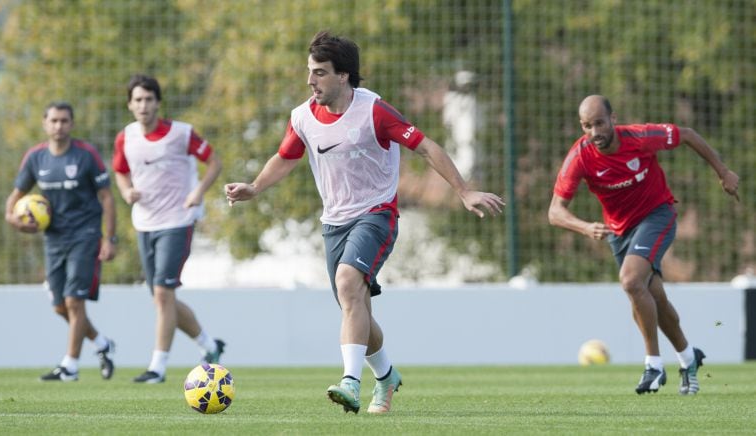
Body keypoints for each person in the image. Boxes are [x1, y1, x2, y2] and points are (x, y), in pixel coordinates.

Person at [225, 31, 504, 414]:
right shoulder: (303, 117)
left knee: (346, 283)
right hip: (333, 223)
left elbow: (425, 146)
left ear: (344, 76)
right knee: (354, 306)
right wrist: (254, 187)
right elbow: (286, 156)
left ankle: (350, 383)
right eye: (310, 72)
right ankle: (387, 376)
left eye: (320, 73)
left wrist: (463, 191)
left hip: (376, 214)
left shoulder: (374, 111)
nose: (311, 81)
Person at [549, 95, 740, 395]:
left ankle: (653, 365)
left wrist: (723, 172)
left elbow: (687, 134)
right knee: (652, 296)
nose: (594, 132)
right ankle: (689, 358)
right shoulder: (580, 156)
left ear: (613, 119)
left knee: (630, 281)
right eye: (587, 126)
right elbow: (555, 212)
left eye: (599, 123)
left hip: (656, 216)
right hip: (618, 231)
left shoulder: (640, 137)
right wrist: (585, 227)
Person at [112, 74, 224, 384]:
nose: (143, 105)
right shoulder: (126, 138)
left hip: (178, 220)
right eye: (138, 100)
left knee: (163, 293)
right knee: (164, 298)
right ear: (130, 105)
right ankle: (210, 346)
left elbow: (214, 162)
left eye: (149, 99)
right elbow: (120, 172)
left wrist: (198, 191)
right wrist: (126, 192)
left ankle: (157, 368)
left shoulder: (181, 134)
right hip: (144, 223)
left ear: (158, 103)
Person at [5, 102, 118, 382]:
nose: (59, 126)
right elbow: (16, 194)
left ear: (72, 124)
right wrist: (13, 218)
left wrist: (109, 237)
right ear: (45, 123)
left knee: (74, 301)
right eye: (54, 120)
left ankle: (70, 366)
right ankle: (102, 343)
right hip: (54, 238)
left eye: (64, 121)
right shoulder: (35, 158)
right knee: (60, 306)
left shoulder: (86, 155)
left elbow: (106, 197)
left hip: (85, 234)